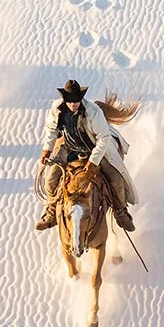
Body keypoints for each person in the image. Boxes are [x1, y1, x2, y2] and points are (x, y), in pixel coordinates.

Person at [36, 79, 138, 232]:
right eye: (70, 101)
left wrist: (93, 162)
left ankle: (120, 211)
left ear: (81, 98)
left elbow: (103, 138)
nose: (73, 104)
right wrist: (47, 149)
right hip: (69, 148)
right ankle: (51, 209)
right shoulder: (57, 108)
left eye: (76, 101)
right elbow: (52, 129)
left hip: (93, 148)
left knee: (116, 179)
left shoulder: (93, 112)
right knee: (50, 180)